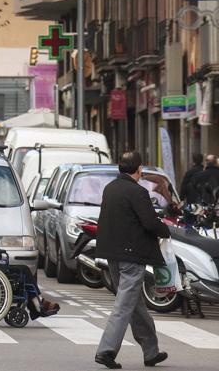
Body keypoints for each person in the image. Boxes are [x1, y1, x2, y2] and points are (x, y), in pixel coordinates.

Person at [94, 151, 170, 369]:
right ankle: (106, 351)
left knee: (134, 305)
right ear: (139, 169)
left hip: (113, 255)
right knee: (123, 306)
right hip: (131, 256)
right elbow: (149, 222)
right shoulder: (137, 192)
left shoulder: (110, 189)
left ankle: (151, 351)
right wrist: (166, 231)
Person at [0, 195, 59, 320]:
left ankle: (35, 305)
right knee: (24, 270)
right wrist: (0, 252)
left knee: (23, 271)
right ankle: (37, 304)